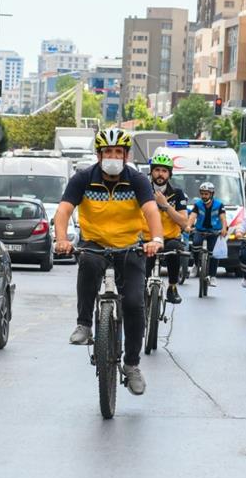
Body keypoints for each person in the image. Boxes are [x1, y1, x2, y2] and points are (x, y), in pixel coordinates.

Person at [53, 128, 163, 397]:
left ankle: (132, 365)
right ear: (98, 155)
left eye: (118, 152)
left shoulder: (137, 180)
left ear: (125, 156)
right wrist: (61, 239)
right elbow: (64, 210)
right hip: (95, 243)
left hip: (129, 246)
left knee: (135, 304)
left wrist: (156, 239)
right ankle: (84, 324)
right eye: (107, 152)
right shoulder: (82, 179)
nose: (112, 156)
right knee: (88, 263)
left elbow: (150, 210)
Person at [145, 153, 189, 305]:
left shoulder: (177, 194)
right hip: (146, 239)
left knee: (175, 249)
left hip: (169, 239)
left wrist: (165, 205)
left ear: (169, 174)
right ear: (151, 172)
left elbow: (184, 222)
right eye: (157, 170)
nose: (160, 174)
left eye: (164, 171)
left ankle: (172, 287)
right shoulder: (143, 191)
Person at [187, 181, 228, 290]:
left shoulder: (219, 205)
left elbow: (223, 218)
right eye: (202, 194)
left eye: (206, 194)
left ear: (211, 194)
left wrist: (224, 228)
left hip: (214, 232)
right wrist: (188, 226)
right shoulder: (198, 204)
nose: (204, 196)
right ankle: (196, 264)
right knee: (195, 245)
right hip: (200, 230)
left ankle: (213, 276)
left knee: (213, 253)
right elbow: (192, 216)